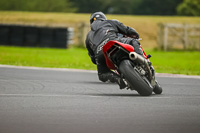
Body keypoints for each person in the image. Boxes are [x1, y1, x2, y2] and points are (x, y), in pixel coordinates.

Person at [85, 11, 143, 89]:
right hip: (114, 42)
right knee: (134, 41)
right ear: (103, 18)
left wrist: (99, 60)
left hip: (100, 53)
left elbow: (93, 58)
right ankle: (140, 60)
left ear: (91, 22)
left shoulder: (88, 36)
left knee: (102, 74)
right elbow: (128, 30)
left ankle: (117, 79)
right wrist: (135, 35)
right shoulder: (110, 22)